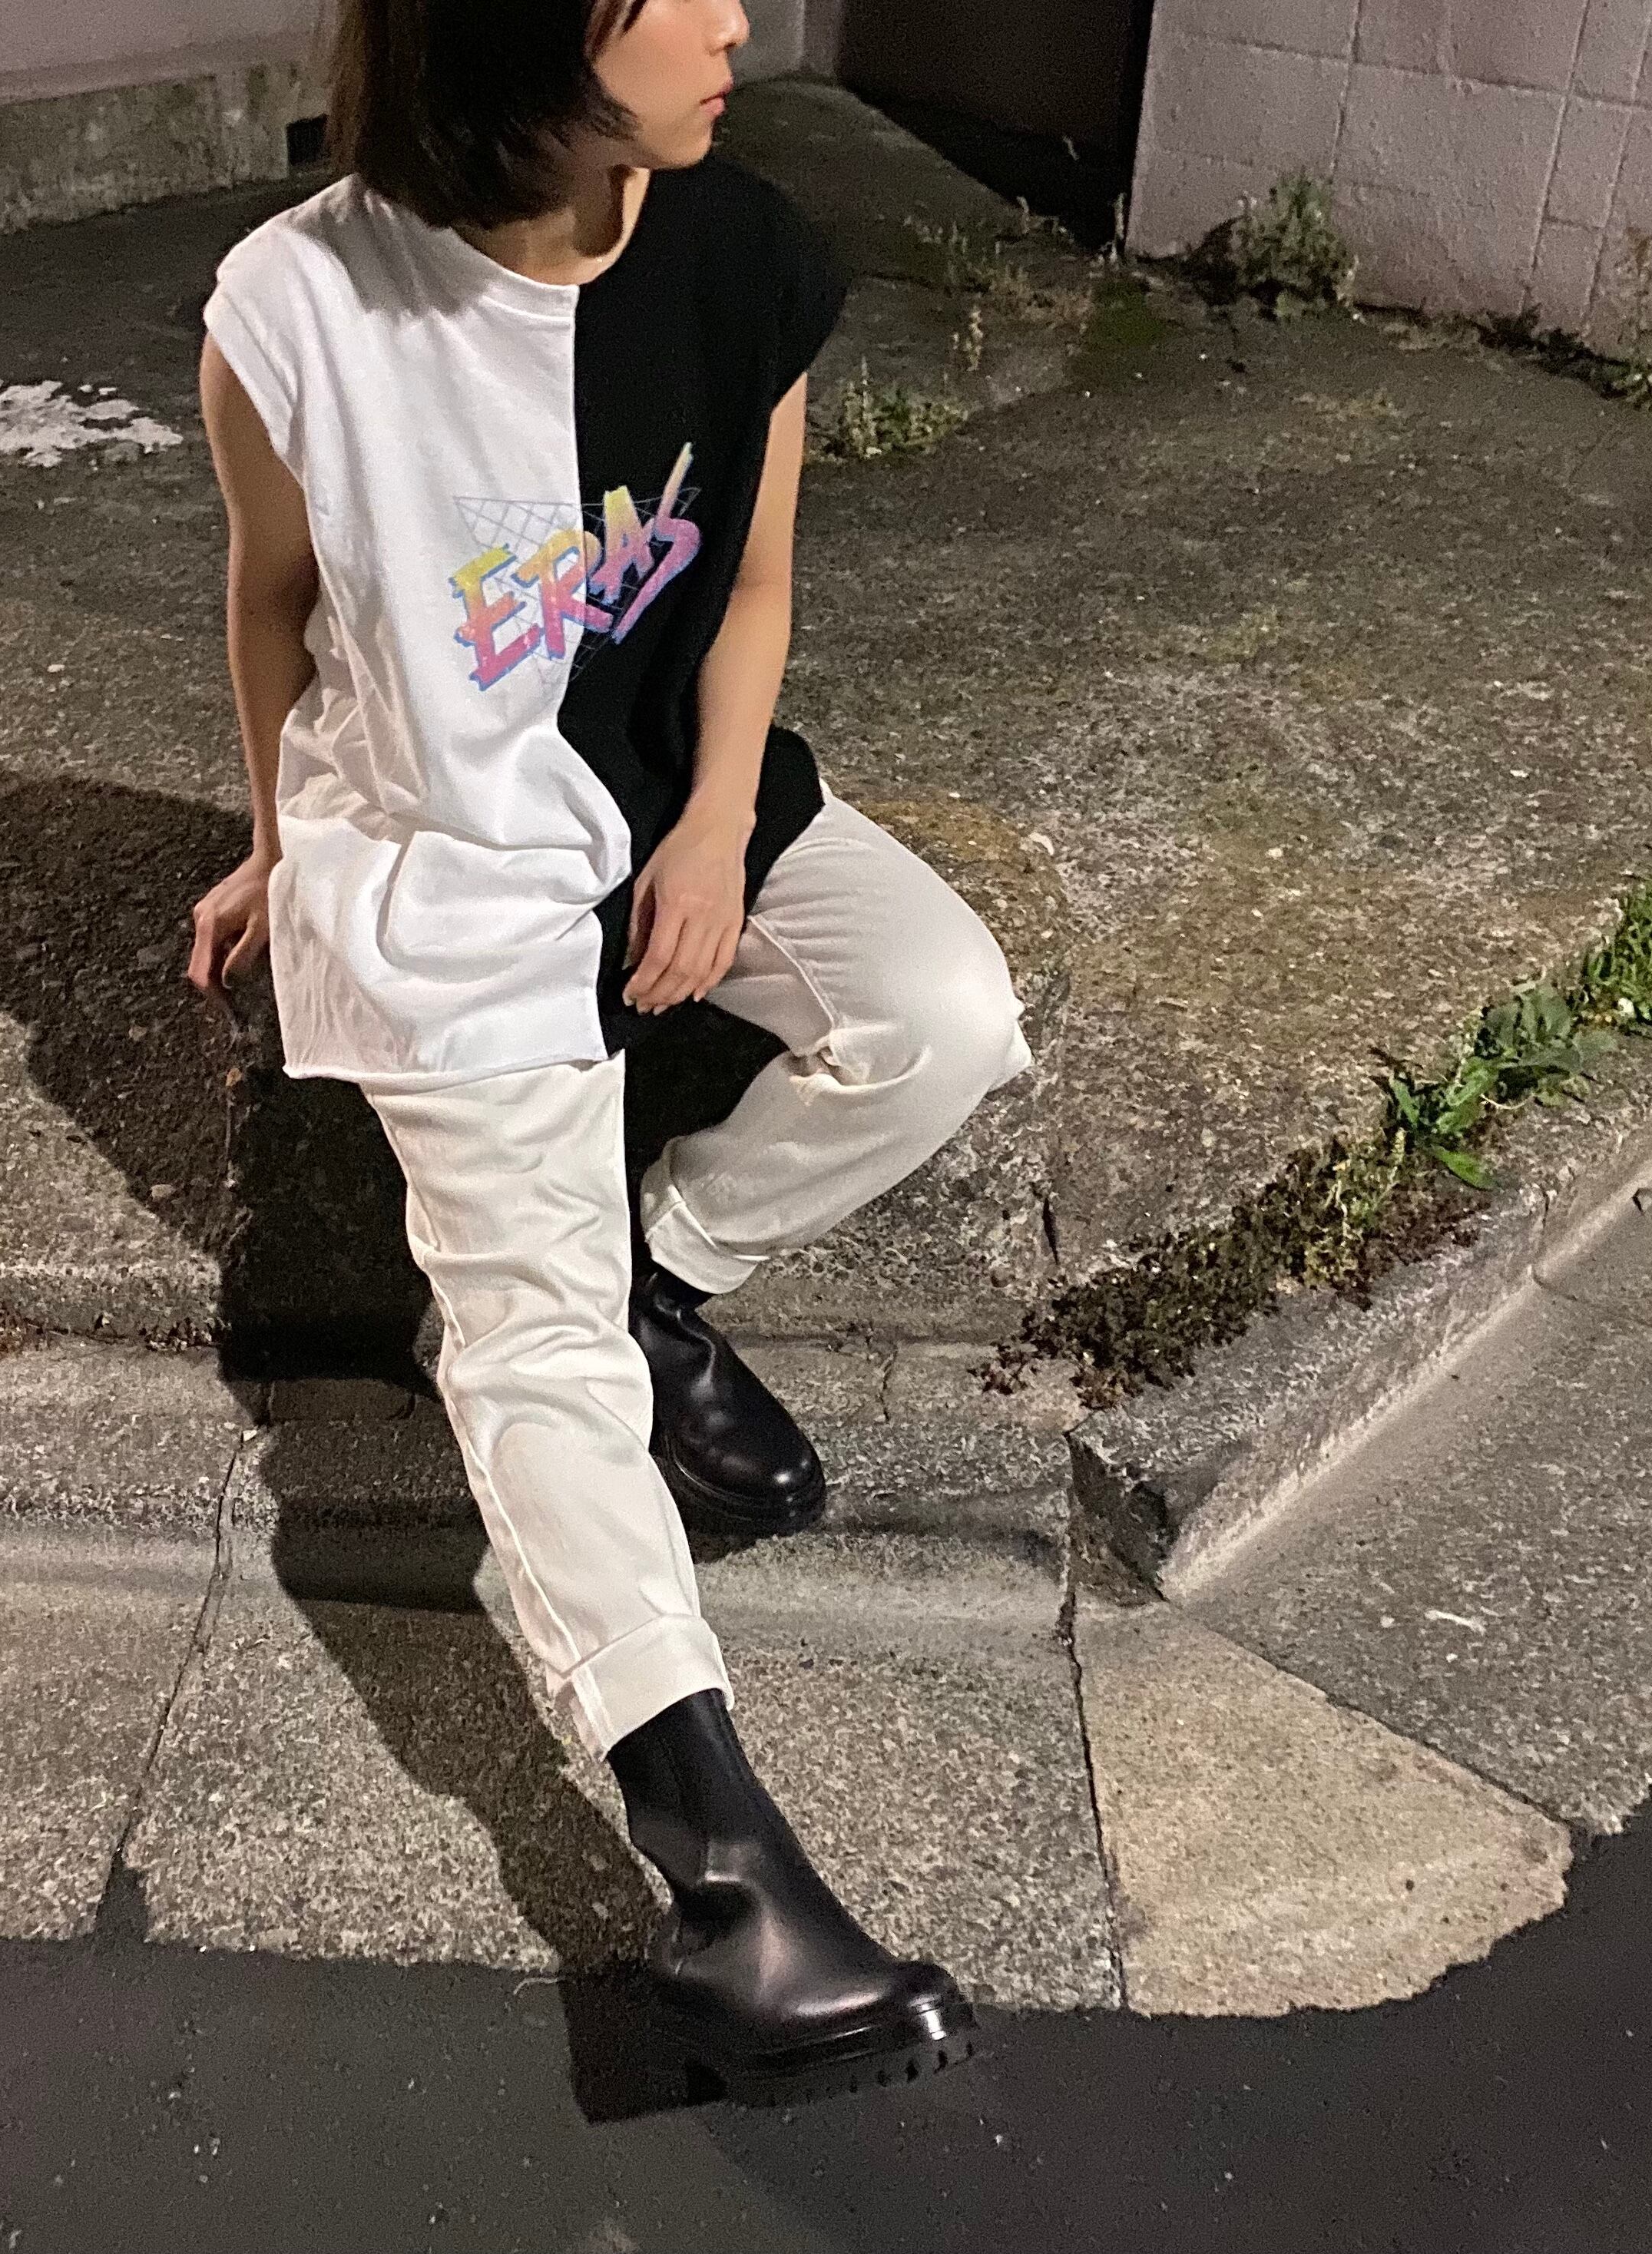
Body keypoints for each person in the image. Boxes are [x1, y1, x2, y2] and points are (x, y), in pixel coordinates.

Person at [186, 0, 1034, 2106]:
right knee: (531, 1351)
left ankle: (672, 1268)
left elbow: (751, 590)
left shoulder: (741, 251)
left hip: (674, 786)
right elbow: (274, 599)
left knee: (942, 1016)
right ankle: (729, 1894)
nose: (734, 15)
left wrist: (723, 826)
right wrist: (282, 845)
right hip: (449, 857)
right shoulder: (301, 310)